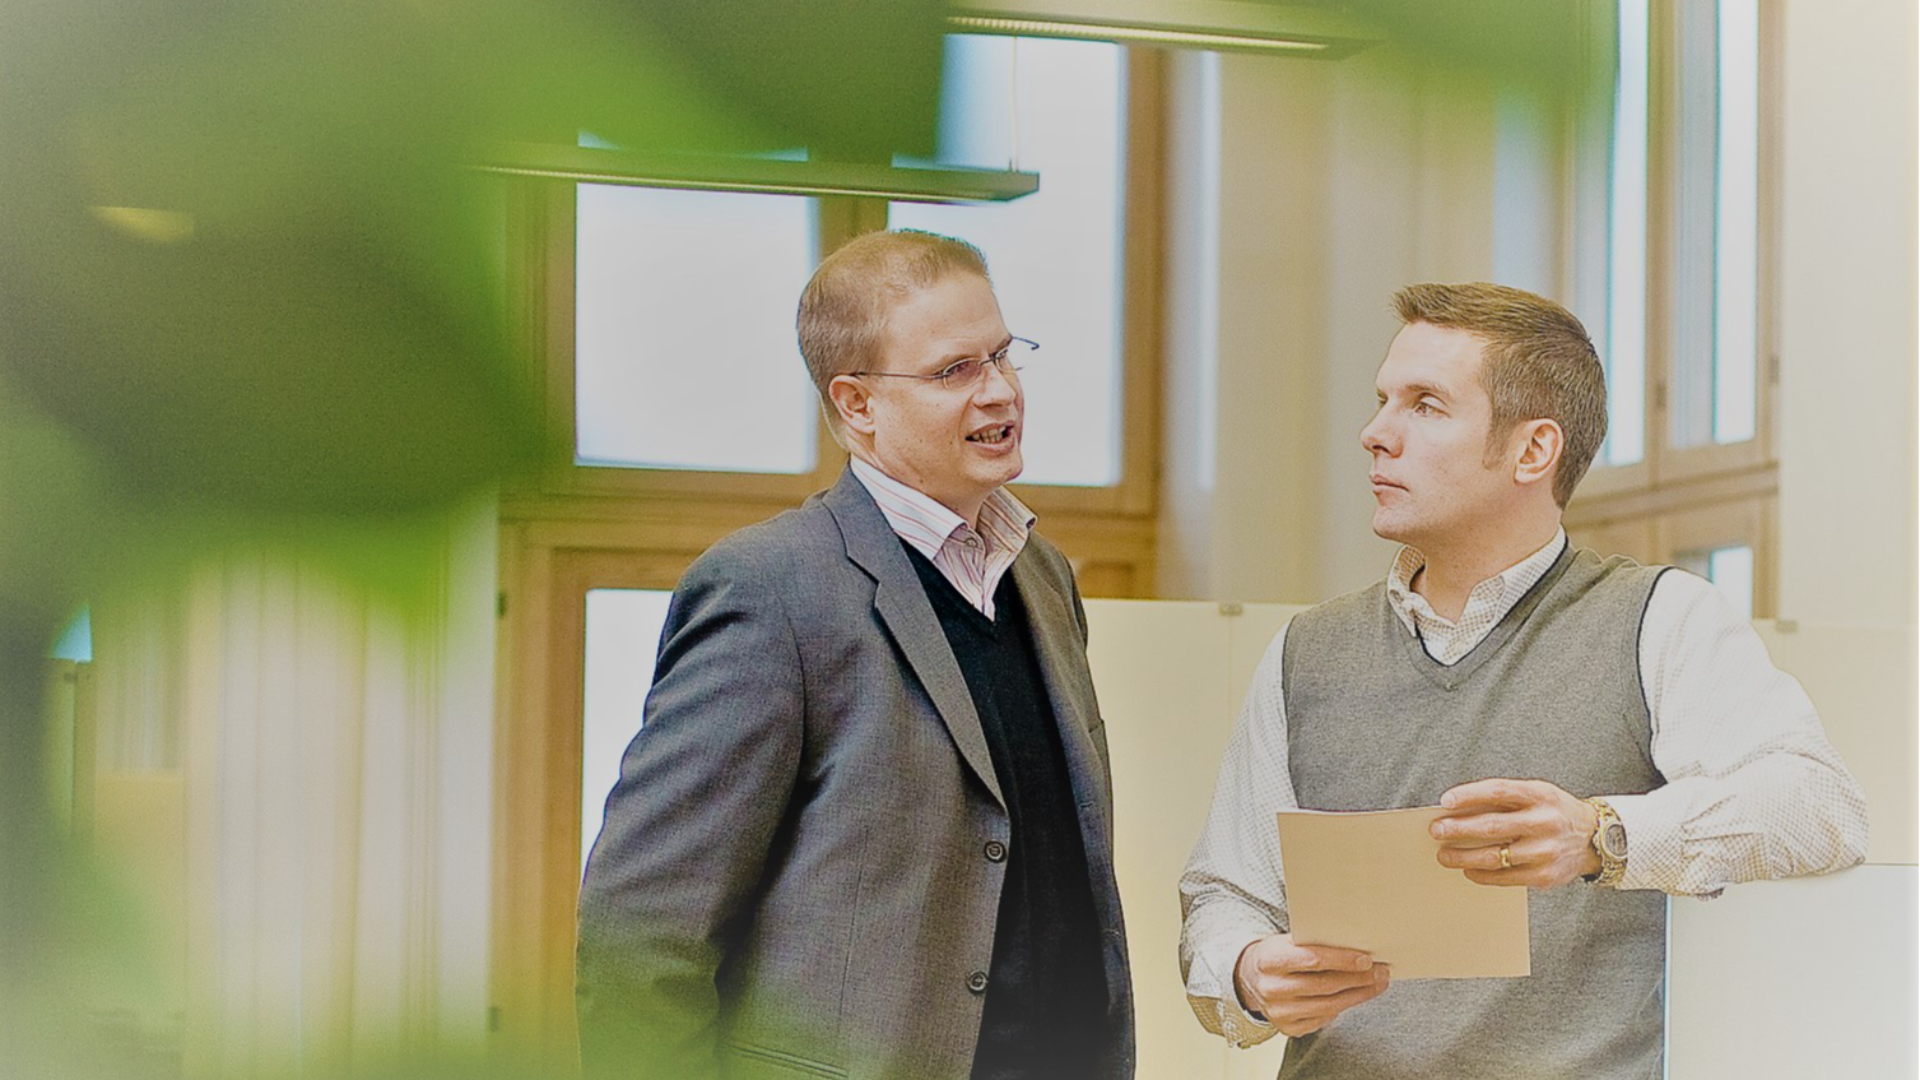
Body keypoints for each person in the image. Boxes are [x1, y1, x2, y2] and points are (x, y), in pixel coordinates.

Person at [1178, 282, 1869, 1078]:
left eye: (1425, 405)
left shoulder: (1659, 619)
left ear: (1533, 451)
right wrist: (1247, 970)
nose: (1375, 434)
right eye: (1382, 401)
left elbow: (1823, 809)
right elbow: (1224, 893)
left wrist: (1602, 835)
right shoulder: (1305, 653)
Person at [577, 229, 1134, 1080]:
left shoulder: (1043, 576)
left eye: (1001, 355)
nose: (999, 391)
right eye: (955, 371)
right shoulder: (772, 589)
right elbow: (643, 929)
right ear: (858, 404)